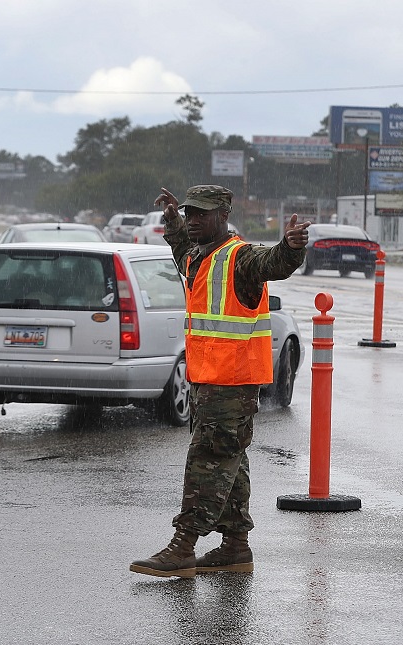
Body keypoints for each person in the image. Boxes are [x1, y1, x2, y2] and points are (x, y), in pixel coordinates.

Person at [130, 185, 310, 578]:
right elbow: (182, 257)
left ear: (223, 216)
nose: (194, 220)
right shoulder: (200, 255)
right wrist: (174, 222)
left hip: (231, 384)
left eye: (201, 215)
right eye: (190, 213)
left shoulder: (240, 257)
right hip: (208, 381)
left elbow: (273, 263)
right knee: (230, 459)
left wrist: (292, 247)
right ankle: (234, 547)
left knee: (208, 460)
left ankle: (183, 546)